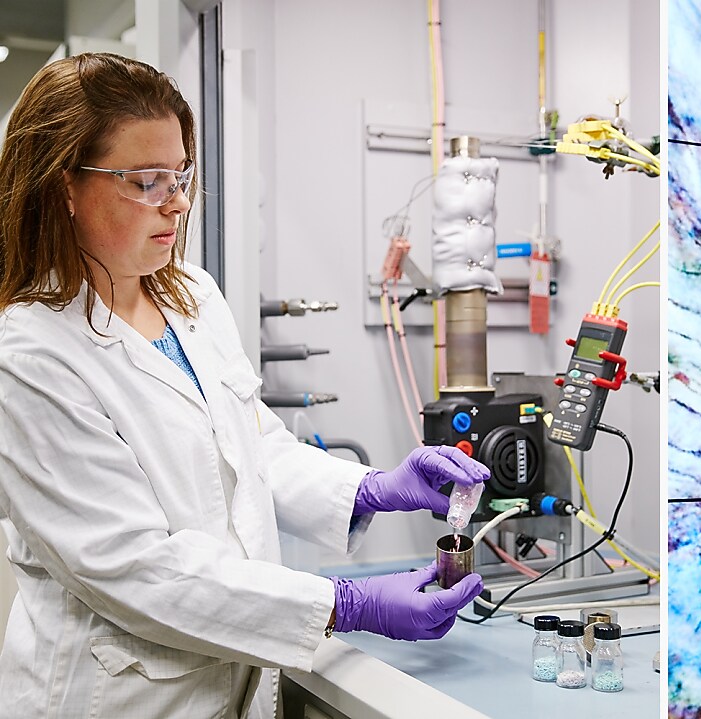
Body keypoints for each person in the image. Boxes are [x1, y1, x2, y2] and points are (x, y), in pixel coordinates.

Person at [0, 53, 487, 718]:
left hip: (234, 680)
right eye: (146, 180)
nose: (175, 200)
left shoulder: (190, 296)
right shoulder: (29, 352)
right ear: (64, 187)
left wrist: (372, 487)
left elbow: (252, 447)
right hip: (116, 694)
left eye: (180, 175)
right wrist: (348, 604)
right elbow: (134, 566)